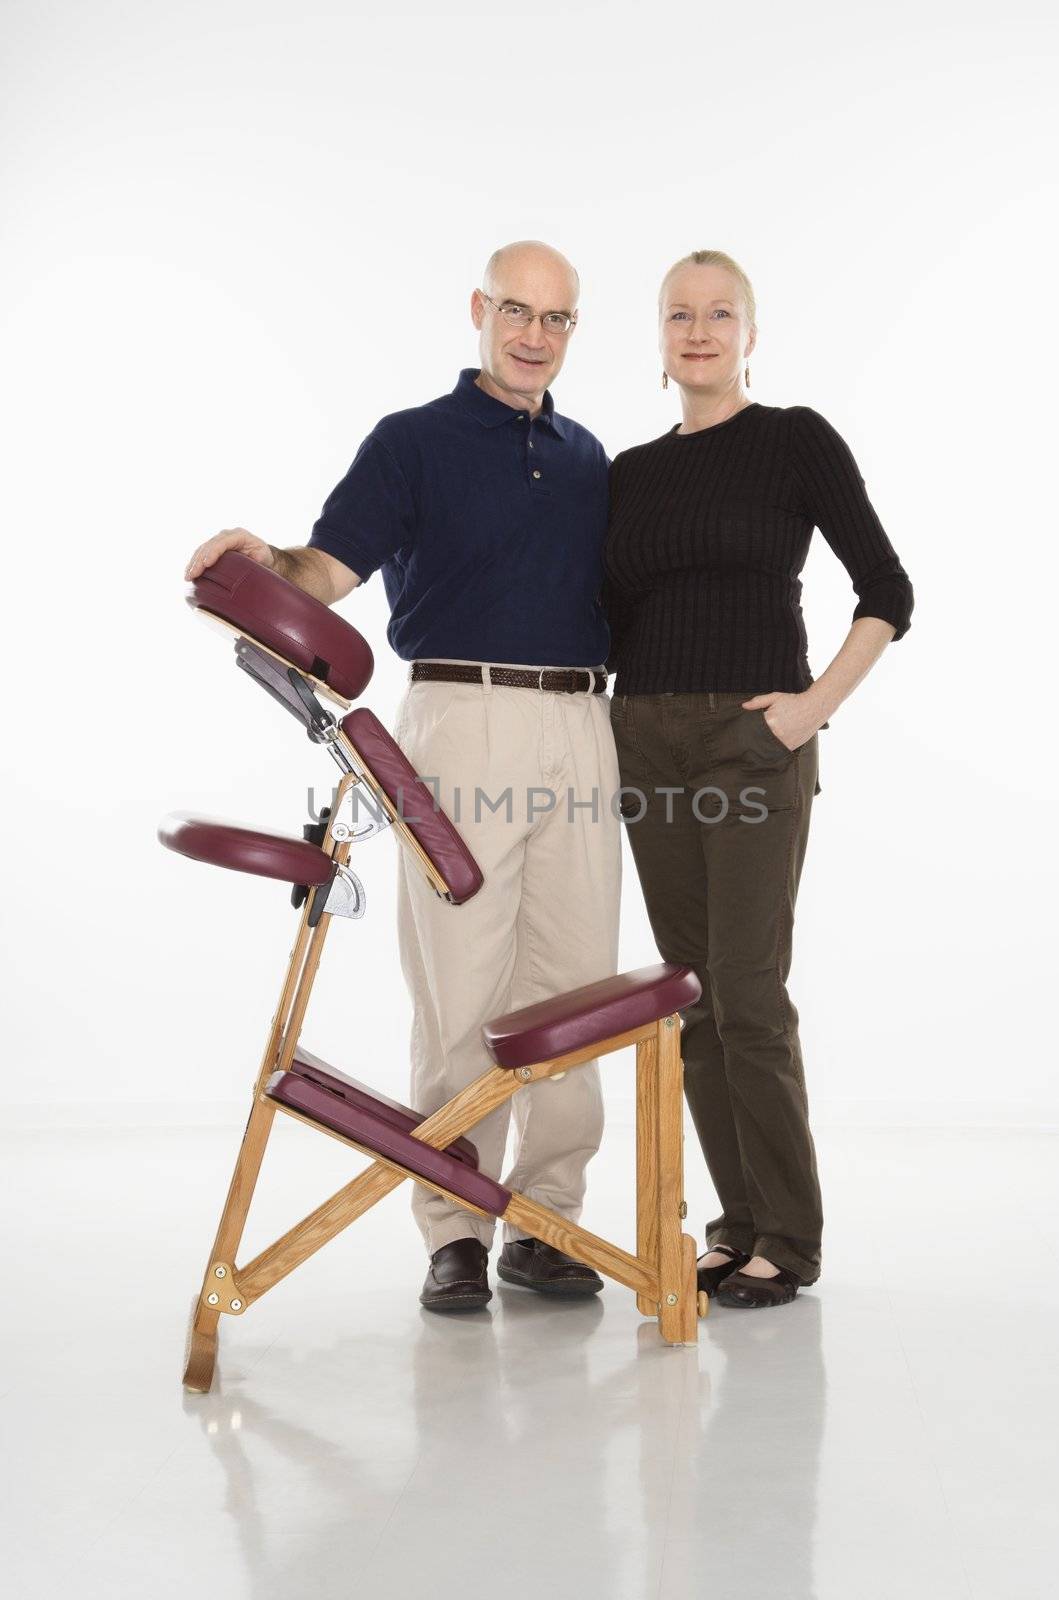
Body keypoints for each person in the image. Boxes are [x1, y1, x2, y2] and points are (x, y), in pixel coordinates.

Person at [185, 241, 621, 1314]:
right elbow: (326, 571)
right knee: (460, 984)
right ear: (478, 311)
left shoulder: (586, 456)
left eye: (556, 320)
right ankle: (455, 1226)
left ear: (573, 331)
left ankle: (546, 1218)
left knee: (574, 988)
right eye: (515, 311)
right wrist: (266, 561)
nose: (533, 336)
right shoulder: (411, 442)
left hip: (583, 719)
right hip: (459, 719)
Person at [601, 248, 914, 1309]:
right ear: (656, 338)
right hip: (642, 738)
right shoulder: (629, 475)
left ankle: (790, 1233)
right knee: (691, 999)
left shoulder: (792, 440)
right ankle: (734, 1227)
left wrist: (806, 709)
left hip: (750, 741)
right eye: (678, 314)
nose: (697, 330)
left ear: (748, 333)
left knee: (748, 993)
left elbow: (886, 589)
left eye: (718, 313)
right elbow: (605, 616)